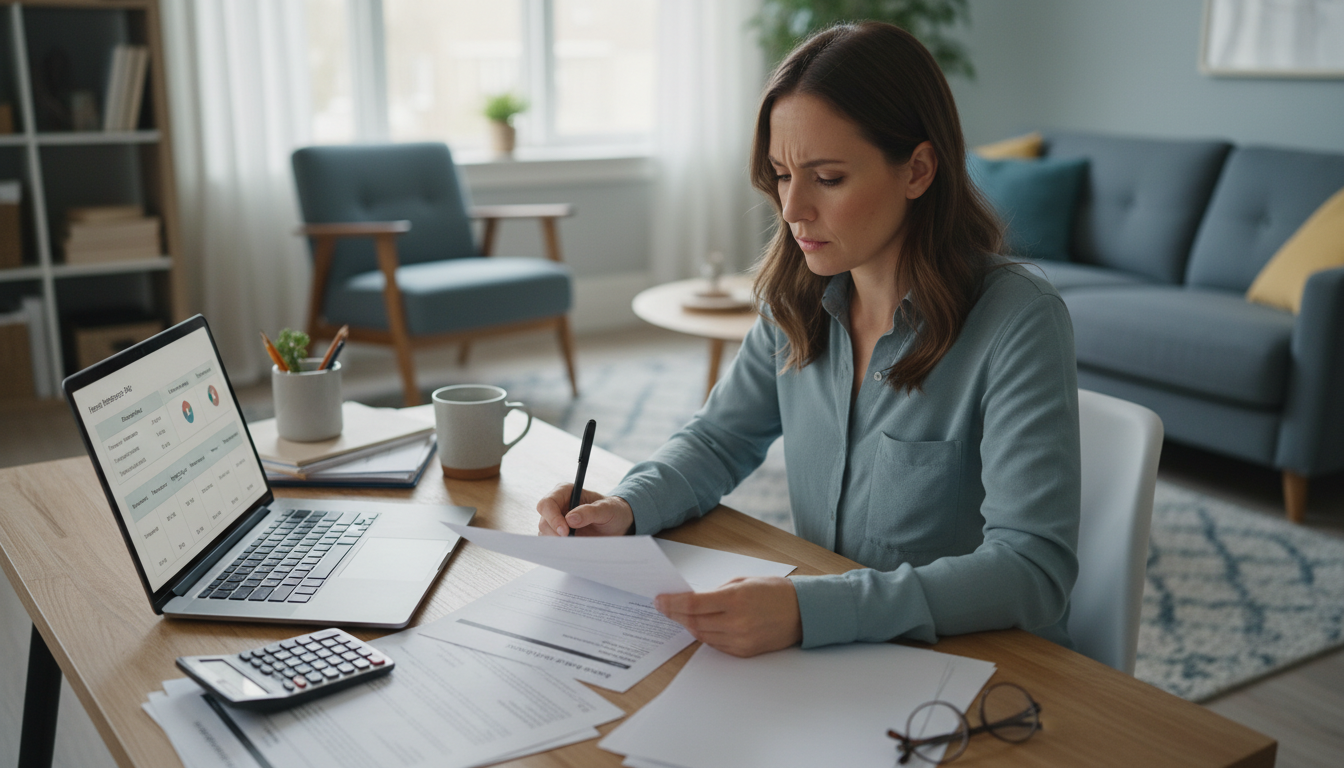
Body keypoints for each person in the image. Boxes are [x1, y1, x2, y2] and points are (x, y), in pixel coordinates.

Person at [536, 21, 1080, 658]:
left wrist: (808, 610)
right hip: (838, 655)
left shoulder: (1018, 320)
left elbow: (1031, 569)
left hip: (977, 665)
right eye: (781, 174)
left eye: (827, 178)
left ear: (918, 170)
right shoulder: (795, 299)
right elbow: (718, 439)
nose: (792, 209)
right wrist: (627, 506)